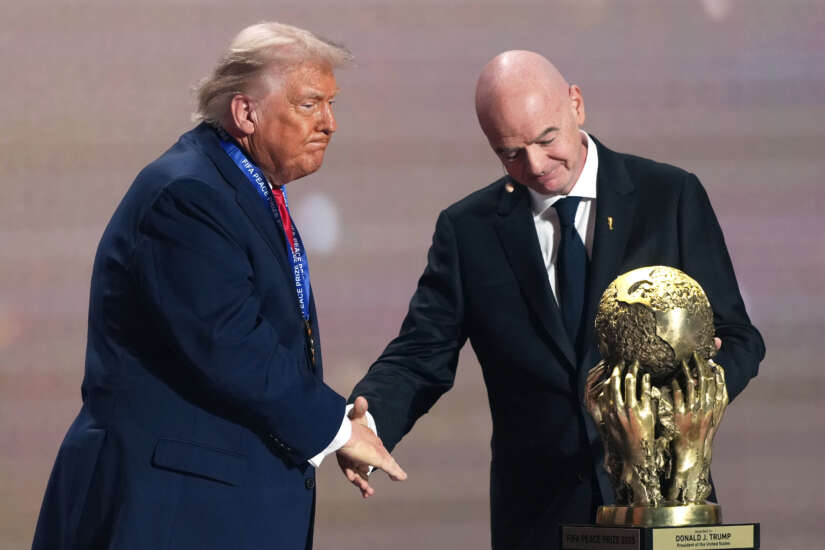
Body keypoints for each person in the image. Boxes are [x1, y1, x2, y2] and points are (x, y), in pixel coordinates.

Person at [342, 50, 765, 549]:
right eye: (510, 153)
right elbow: (420, 355)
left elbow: (737, 336)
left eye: (547, 140)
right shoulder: (469, 230)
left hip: (668, 508)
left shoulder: (669, 196)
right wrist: (367, 423)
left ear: (576, 104)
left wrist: (678, 405)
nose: (536, 166)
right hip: (540, 521)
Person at [32, 22, 405, 550]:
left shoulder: (239, 189)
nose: (330, 123)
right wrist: (337, 430)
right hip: (171, 511)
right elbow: (231, 344)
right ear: (245, 113)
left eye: (331, 104)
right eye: (309, 104)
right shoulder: (188, 196)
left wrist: (336, 423)